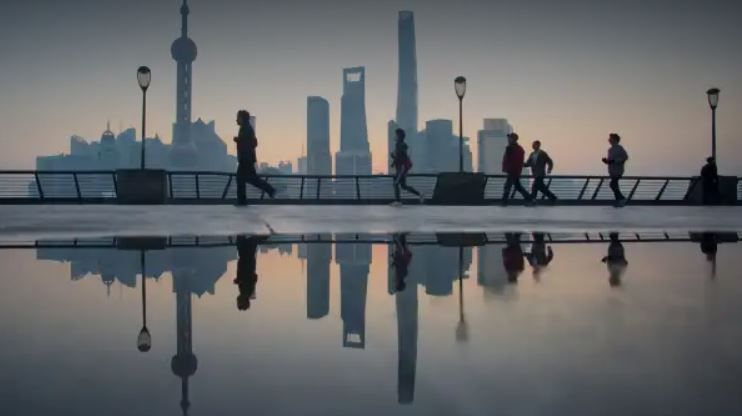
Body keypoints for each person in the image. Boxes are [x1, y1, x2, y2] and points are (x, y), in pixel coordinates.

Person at [234, 110, 276, 206]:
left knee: (242, 179)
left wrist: (238, 140)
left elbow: (248, 144)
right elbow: (251, 143)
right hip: (247, 159)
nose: (236, 120)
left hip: (245, 160)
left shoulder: (246, 128)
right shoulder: (245, 128)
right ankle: (270, 190)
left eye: (238, 117)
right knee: (250, 179)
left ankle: (242, 201)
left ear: (242, 118)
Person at [234, 234, 269, 310]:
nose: (237, 301)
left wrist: (239, 279)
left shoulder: (244, 291)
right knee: (247, 245)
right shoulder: (247, 291)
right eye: (239, 302)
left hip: (246, 262)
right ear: (244, 301)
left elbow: (253, 278)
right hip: (247, 262)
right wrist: (240, 279)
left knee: (246, 244)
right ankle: (260, 237)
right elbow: (252, 277)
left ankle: (257, 237)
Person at [390, 128, 423, 206]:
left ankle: (398, 201)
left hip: (401, 168)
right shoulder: (400, 145)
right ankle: (420, 194)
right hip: (401, 167)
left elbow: (401, 157)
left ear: (399, 136)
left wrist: (393, 160)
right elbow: (400, 156)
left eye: (396, 135)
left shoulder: (400, 145)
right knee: (403, 186)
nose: (395, 136)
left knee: (395, 183)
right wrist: (394, 159)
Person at [501, 133, 532, 205]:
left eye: (509, 138)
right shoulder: (519, 149)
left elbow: (509, 159)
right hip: (516, 170)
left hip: (512, 171)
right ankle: (529, 199)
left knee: (507, 186)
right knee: (518, 186)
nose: (508, 139)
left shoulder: (510, 148)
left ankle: (504, 202)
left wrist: (507, 168)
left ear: (513, 139)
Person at [601, 133, 629, 207]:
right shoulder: (610, 149)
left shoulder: (619, 148)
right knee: (614, 185)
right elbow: (611, 161)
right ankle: (619, 200)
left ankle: (621, 199)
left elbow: (625, 157)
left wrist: (614, 161)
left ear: (615, 140)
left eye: (610, 138)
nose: (609, 140)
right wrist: (606, 161)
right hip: (612, 170)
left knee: (613, 184)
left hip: (618, 170)